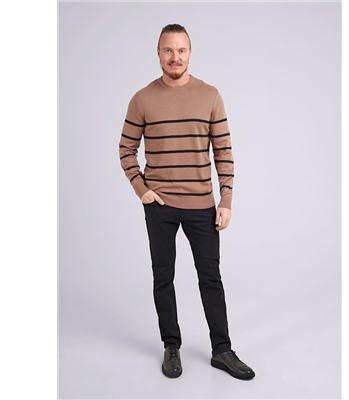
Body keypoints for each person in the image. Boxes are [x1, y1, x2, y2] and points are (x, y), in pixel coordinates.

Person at [119, 23, 255, 380]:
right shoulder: (142, 98)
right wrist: (141, 189)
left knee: (211, 278)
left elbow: (223, 150)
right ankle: (171, 346)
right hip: (160, 207)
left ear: (190, 53)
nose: (174, 57)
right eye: (168, 50)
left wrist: (226, 199)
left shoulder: (210, 95)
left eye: (181, 50)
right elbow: (126, 148)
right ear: (158, 53)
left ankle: (222, 350)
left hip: (201, 205)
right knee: (163, 278)